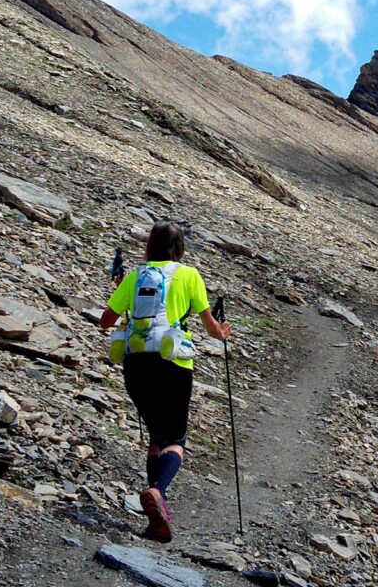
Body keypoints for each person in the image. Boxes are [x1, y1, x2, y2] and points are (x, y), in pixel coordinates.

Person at [97, 220, 231, 543]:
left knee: (156, 434)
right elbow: (211, 328)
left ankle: (155, 519)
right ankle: (157, 491)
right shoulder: (189, 276)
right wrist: (223, 332)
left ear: (150, 246)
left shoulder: (134, 277)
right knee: (176, 438)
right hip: (174, 365)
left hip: (136, 367)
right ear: (179, 249)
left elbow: (105, 322)